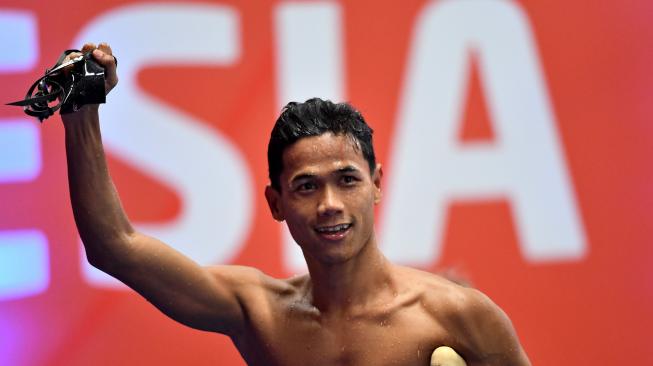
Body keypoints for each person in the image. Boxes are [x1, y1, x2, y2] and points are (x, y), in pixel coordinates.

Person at [62, 42, 531, 366]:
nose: (330, 204)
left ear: (377, 185)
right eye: (307, 186)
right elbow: (113, 245)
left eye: (347, 180)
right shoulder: (260, 314)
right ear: (276, 202)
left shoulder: (459, 317)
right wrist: (82, 111)